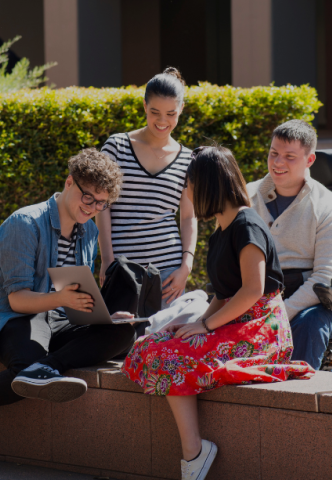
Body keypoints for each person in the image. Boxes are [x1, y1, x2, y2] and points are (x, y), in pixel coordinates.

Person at [0, 148, 136, 466]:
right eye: (89, 198)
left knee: (123, 332)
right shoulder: (24, 223)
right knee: (25, 365)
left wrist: (103, 317)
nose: (94, 208)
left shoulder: (90, 231)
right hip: (13, 318)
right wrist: (64, 300)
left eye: (102, 203)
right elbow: (18, 299)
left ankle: (45, 367)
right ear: (70, 182)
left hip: (56, 318)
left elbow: (74, 294)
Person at [122, 146, 314, 480]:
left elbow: (253, 290)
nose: (186, 192)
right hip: (235, 319)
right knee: (148, 346)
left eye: (189, 184)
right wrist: (197, 324)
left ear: (207, 185)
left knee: (169, 358)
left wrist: (206, 325)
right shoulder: (222, 229)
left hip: (260, 329)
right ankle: (195, 451)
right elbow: (224, 294)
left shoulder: (246, 225)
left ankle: (194, 453)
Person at [246, 119, 332, 370]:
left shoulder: (328, 207)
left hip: (317, 304)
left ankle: (298, 404)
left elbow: (326, 277)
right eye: (273, 153)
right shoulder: (247, 197)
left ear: (310, 160)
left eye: (289, 156)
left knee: (308, 324)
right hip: (257, 294)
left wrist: (280, 313)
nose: (278, 162)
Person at [98, 67, 198, 309]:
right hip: (122, 269)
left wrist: (187, 265)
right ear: (144, 106)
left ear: (181, 110)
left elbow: (188, 217)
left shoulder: (188, 159)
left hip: (169, 274)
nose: (162, 121)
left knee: (164, 345)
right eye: (155, 112)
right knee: (122, 343)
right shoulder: (116, 147)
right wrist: (107, 260)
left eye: (171, 113)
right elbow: (102, 207)